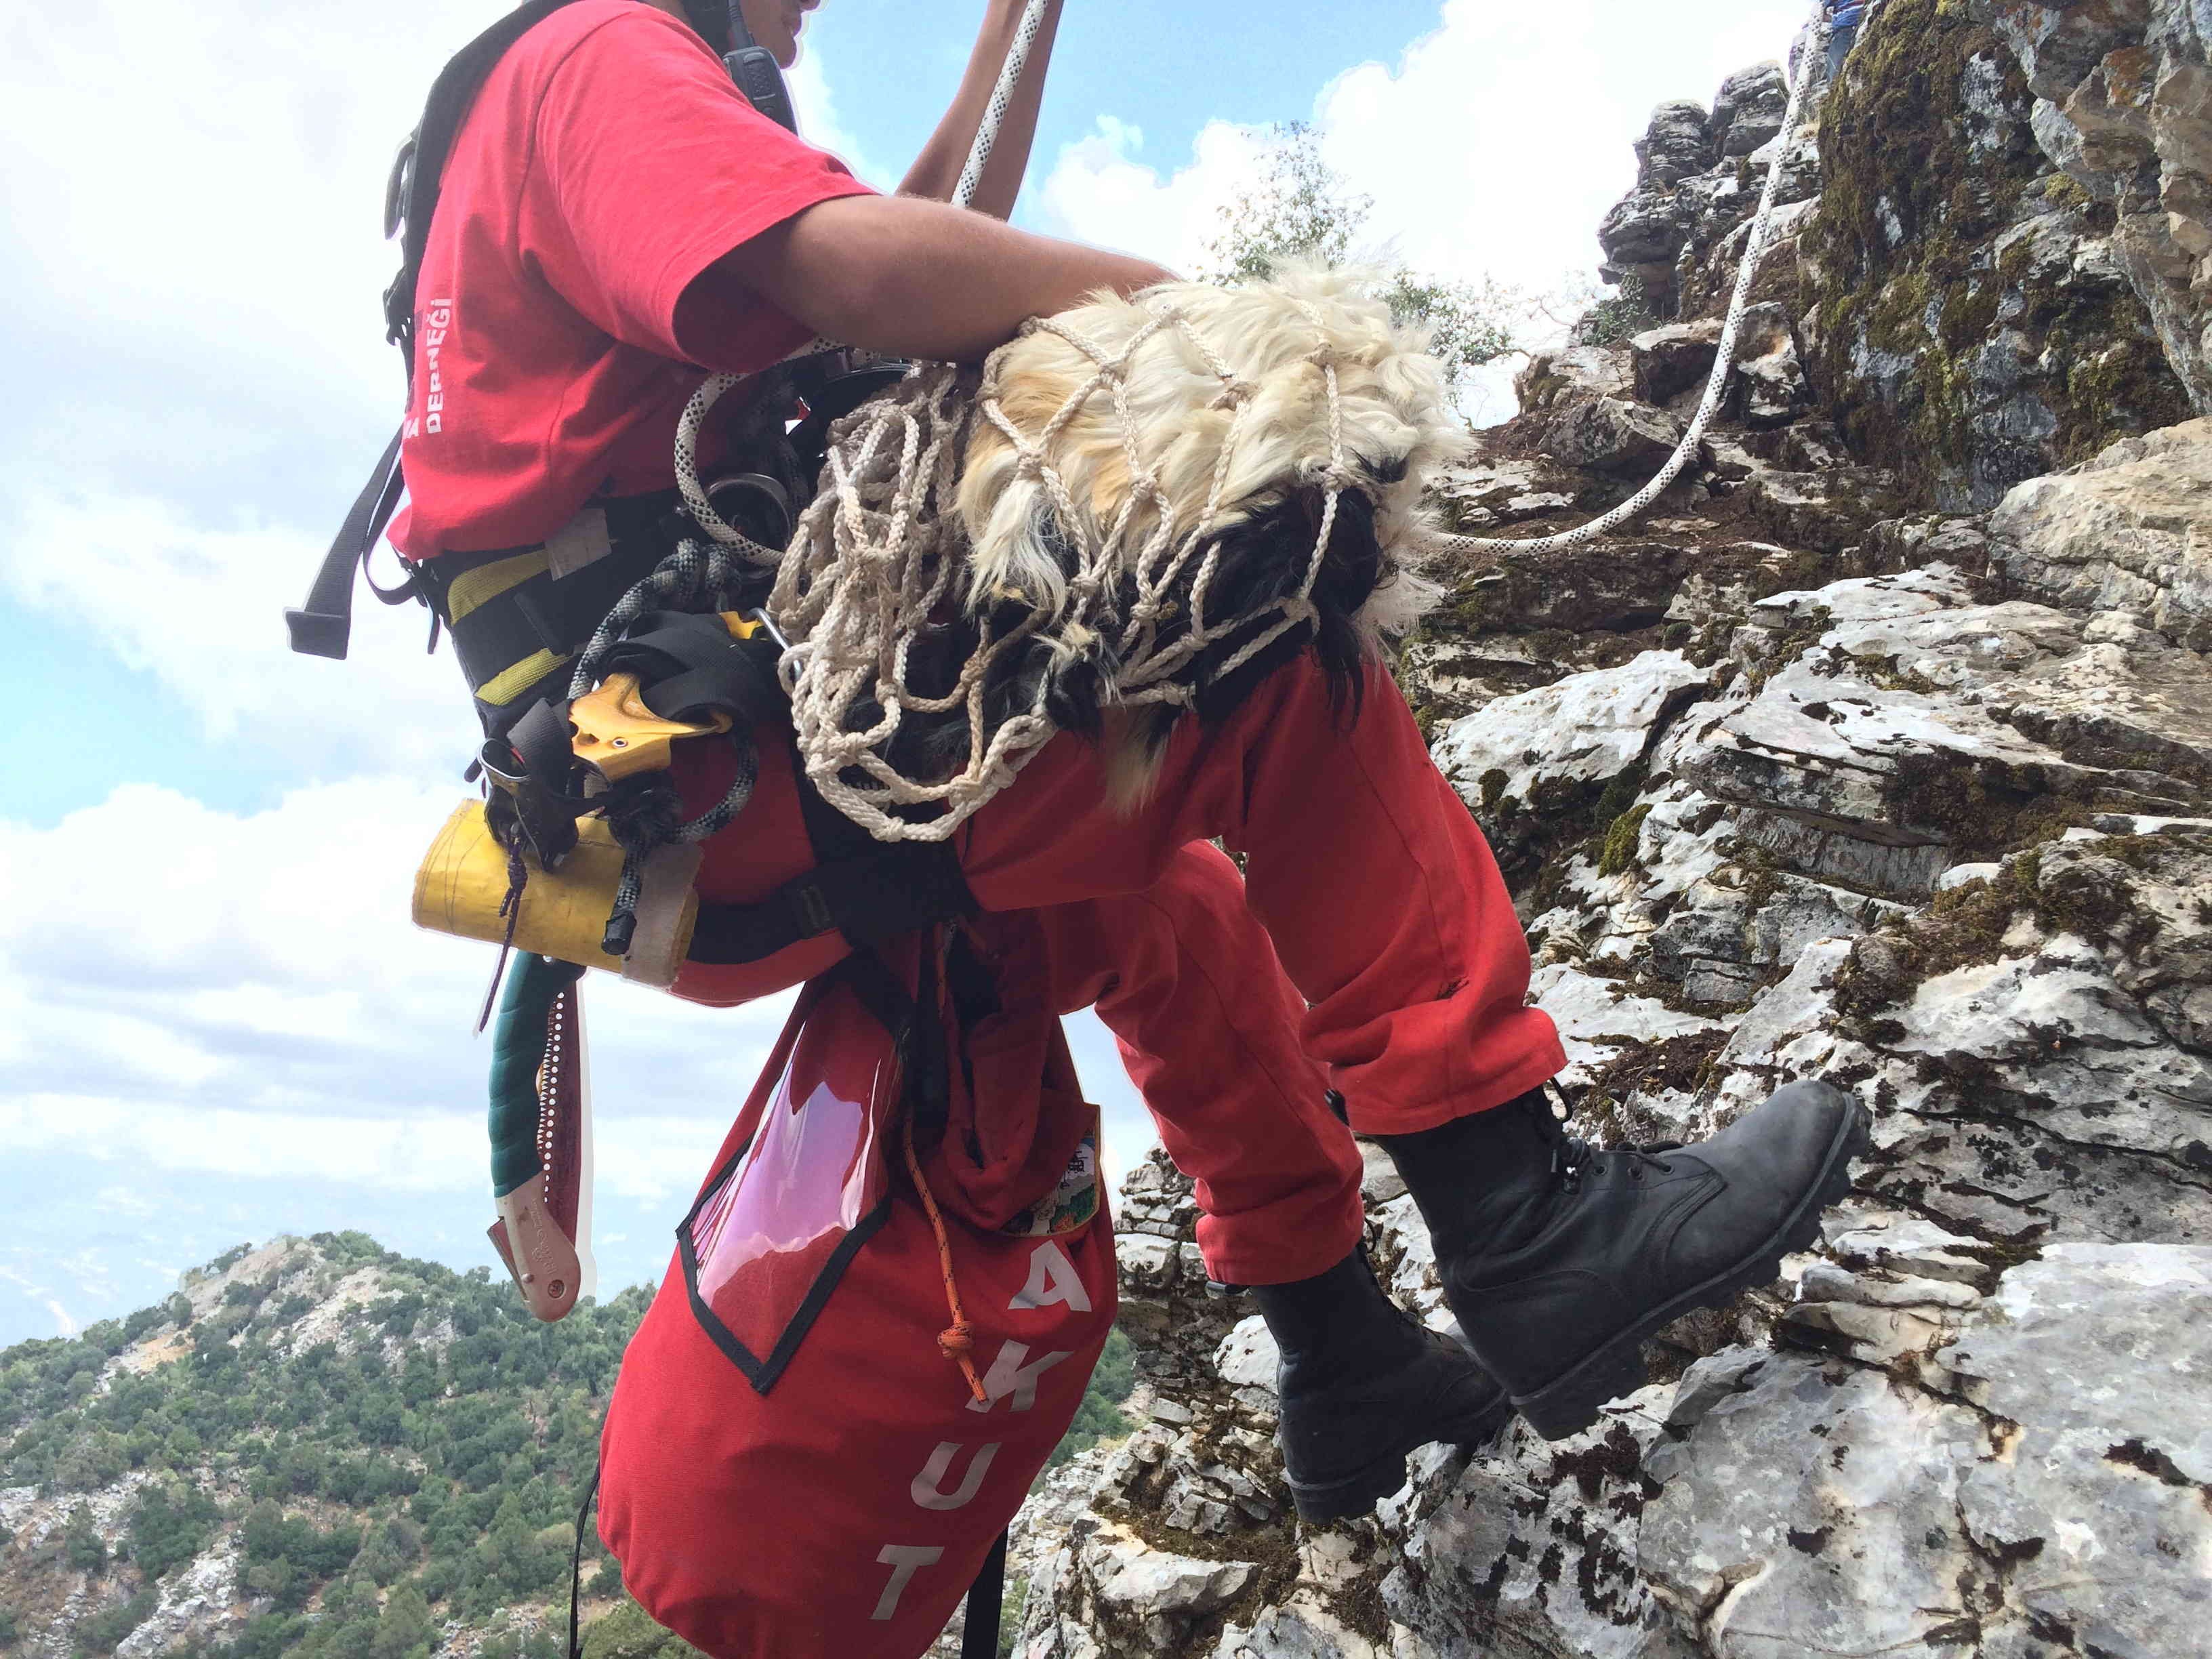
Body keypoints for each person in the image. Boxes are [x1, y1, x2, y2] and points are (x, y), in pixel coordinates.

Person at [394, 0, 1864, 1529]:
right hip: (751, 773)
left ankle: (1340, 1361)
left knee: (1174, 912)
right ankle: (1527, 1220)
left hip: (690, 834)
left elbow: (911, 231)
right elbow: (859, 269)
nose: (810, 8)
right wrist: (1184, 317)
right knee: (1276, 667)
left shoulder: (522, 140)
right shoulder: (600, 52)